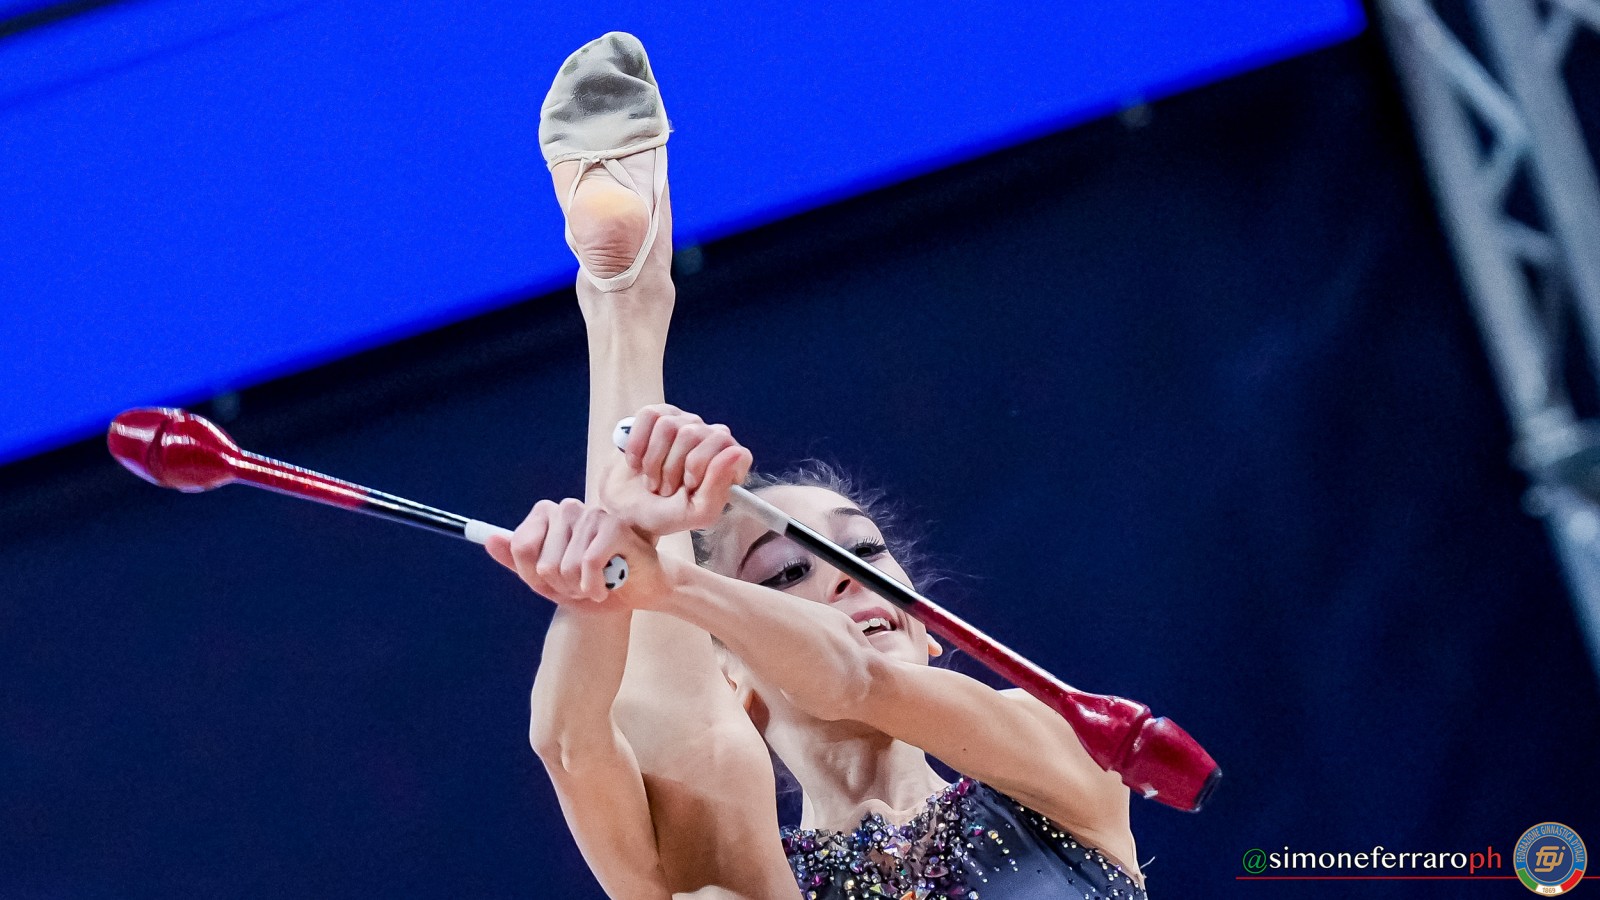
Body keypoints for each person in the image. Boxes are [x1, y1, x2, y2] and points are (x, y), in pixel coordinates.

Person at [484, 33, 1148, 900]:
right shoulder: (730, 863)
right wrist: (602, 582)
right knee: (705, 817)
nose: (846, 578)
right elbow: (568, 746)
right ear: (732, 679)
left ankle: (626, 312)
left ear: (930, 628)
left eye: (863, 552)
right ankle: (623, 307)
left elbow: (852, 678)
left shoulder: (1057, 763)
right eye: (787, 571)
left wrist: (661, 581)